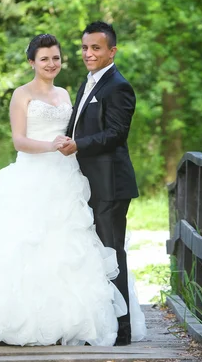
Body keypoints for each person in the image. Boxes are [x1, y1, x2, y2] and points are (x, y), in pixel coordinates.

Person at [0, 34, 145, 347]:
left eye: (56, 58)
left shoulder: (66, 93)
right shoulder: (21, 95)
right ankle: (10, 319)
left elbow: (79, 131)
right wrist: (51, 145)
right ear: (32, 63)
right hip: (32, 175)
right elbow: (19, 141)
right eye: (45, 59)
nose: (52, 64)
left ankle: (71, 321)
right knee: (24, 243)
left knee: (71, 247)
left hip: (68, 177)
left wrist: (71, 146)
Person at [60, 21, 142, 346]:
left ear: (112, 50)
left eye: (95, 48)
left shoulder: (118, 86)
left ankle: (122, 332)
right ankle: (99, 322)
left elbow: (116, 134)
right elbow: (78, 125)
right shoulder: (90, 82)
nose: (88, 54)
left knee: (111, 252)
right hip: (88, 183)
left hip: (110, 185)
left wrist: (78, 145)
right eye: (84, 48)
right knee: (92, 254)